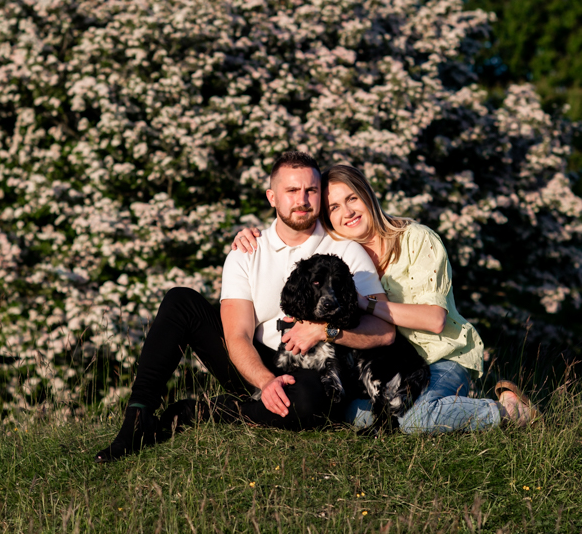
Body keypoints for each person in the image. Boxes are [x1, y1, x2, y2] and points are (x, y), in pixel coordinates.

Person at [94, 152, 394, 462]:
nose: (302, 200)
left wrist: (324, 331)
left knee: (311, 402)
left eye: (311, 190)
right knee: (180, 300)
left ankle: (197, 412)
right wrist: (265, 382)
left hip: (312, 372)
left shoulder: (346, 250)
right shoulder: (246, 251)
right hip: (254, 364)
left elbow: (384, 332)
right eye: (292, 191)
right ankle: (137, 419)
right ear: (272, 197)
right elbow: (236, 334)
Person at [231, 163, 536, 433]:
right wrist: (252, 233)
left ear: (368, 196)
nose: (346, 212)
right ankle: (452, 407)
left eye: (352, 199)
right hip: (386, 367)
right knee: (342, 415)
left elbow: (435, 319)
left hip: (439, 358)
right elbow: (291, 231)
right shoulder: (342, 251)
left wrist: (364, 304)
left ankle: (507, 411)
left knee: (411, 420)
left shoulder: (416, 238)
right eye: (334, 207)